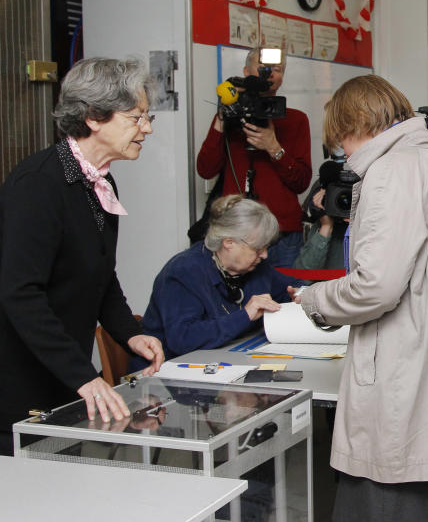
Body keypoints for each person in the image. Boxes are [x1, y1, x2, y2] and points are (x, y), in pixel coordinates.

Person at [294, 75, 428, 522]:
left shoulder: (390, 173)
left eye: (341, 142)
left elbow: (375, 286)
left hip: (409, 376)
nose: (343, 154)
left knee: (397, 488)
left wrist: (315, 300)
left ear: (355, 124)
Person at [0, 58, 165, 455]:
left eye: (147, 116)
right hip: (19, 385)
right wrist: (85, 376)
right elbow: (20, 293)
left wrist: (130, 333)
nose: (147, 128)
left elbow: (100, 274)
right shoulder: (39, 183)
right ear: (93, 117)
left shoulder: (101, 181)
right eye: (136, 117)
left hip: (62, 379)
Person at [132, 195, 295, 367]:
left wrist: (299, 295)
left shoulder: (255, 268)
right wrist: (245, 315)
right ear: (229, 243)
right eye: (258, 248)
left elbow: (288, 289)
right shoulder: (184, 271)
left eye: (266, 247)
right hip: (166, 374)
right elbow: (183, 339)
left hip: (224, 365)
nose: (264, 255)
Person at [196, 46, 312, 267]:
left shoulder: (296, 120)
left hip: (283, 233)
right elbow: (205, 169)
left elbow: (301, 182)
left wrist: (274, 148)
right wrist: (222, 118)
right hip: (236, 232)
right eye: (262, 66)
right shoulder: (230, 117)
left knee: (283, 298)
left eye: (277, 69)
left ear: (282, 78)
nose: (269, 73)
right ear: (246, 72)